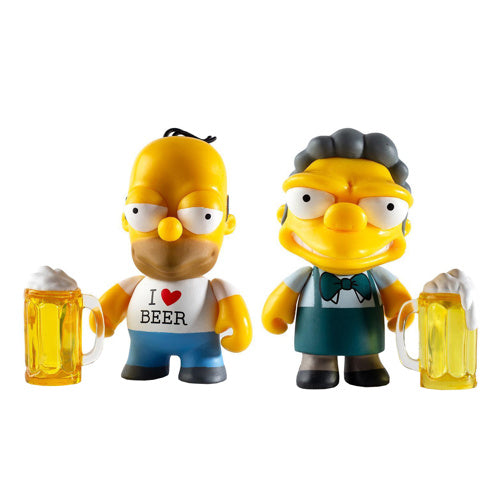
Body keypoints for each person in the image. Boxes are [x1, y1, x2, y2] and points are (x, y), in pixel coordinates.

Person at [94, 129, 252, 384]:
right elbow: (106, 310)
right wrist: (104, 317)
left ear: (227, 223)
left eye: (202, 215)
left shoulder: (217, 289)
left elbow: (236, 313)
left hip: (203, 348)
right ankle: (144, 363)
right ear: (125, 218)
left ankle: (204, 364)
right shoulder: (135, 285)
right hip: (142, 348)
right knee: (141, 368)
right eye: (142, 211)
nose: (170, 230)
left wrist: (238, 328)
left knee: (204, 369)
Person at [262, 128, 413, 389]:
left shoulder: (377, 275)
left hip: (365, 336)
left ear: (404, 227)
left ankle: (365, 363)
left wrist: (402, 312)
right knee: (317, 359)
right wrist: (276, 312)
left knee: (366, 356)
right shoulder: (305, 276)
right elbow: (285, 294)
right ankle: (316, 363)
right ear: (282, 215)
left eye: (386, 207)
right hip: (316, 335)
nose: (344, 220)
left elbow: (398, 298)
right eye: (307, 199)